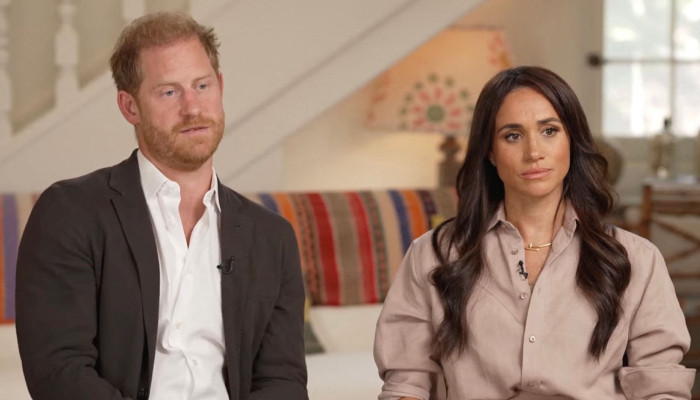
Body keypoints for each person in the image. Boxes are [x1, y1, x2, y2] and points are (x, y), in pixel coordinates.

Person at [15, 12, 308, 400]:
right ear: (130, 107)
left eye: (202, 86)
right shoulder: (69, 214)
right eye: (169, 92)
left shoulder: (272, 237)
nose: (193, 108)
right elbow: (59, 372)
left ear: (220, 87)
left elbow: (284, 382)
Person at [374, 66, 695, 399]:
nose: (533, 153)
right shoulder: (433, 255)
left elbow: (660, 385)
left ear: (572, 140)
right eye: (513, 136)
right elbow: (407, 383)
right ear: (490, 152)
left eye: (549, 131)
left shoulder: (638, 259)